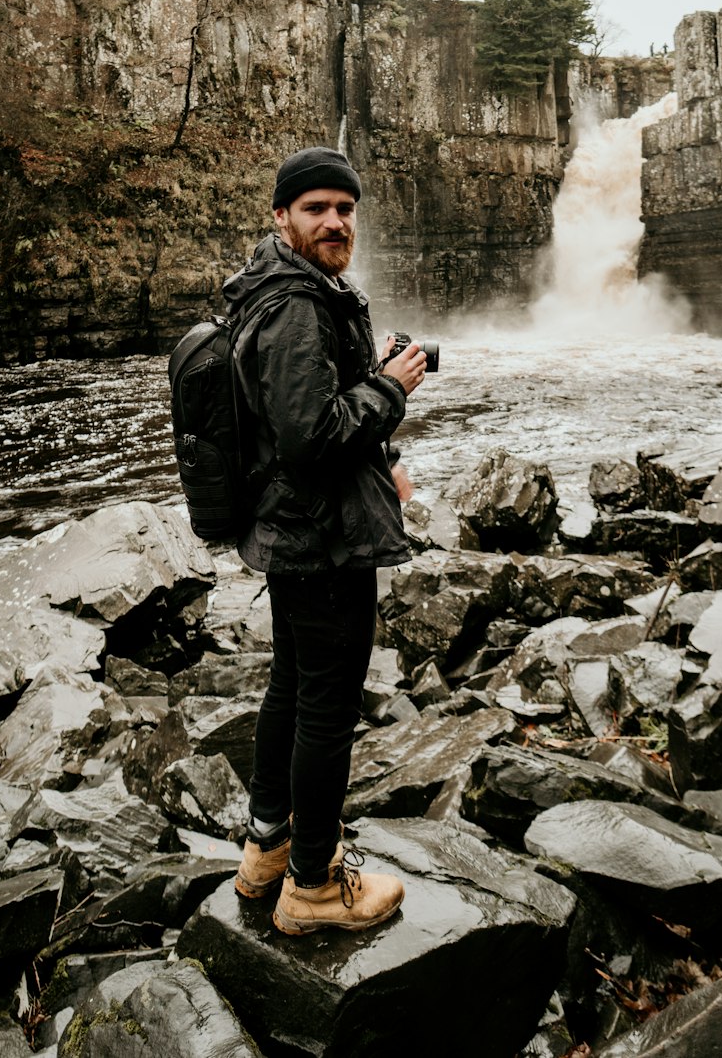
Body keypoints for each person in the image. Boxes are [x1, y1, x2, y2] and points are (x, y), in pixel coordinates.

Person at [223, 145, 426, 935]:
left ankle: (266, 850)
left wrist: (366, 396)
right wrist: (389, 389)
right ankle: (313, 884)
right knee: (326, 707)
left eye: (345, 209)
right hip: (323, 538)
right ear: (282, 216)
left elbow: (296, 410)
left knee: (292, 686)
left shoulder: (282, 288)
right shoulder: (298, 304)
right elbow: (311, 435)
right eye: (316, 208)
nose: (336, 221)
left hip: (292, 525)